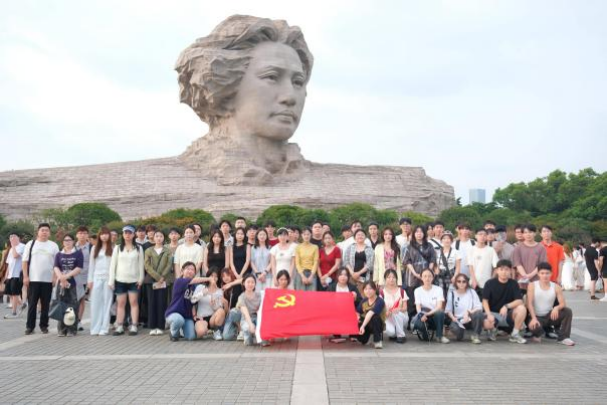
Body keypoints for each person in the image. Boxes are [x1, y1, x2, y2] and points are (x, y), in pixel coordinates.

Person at [23, 223, 60, 336]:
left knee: (45, 304)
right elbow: (24, 262)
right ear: (38, 232)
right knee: (32, 304)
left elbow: (57, 263)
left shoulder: (53, 245)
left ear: (49, 233)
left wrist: (55, 277)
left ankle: (44, 326)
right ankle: (30, 327)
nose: (44, 232)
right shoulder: (31, 244)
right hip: (33, 279)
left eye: (46, 230)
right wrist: (25, 276)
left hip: (48, 280)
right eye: (42, 230)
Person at [527, 263, 576, 346]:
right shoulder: (532, 285)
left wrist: (556, 308)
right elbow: (529, 303)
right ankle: (538, 333)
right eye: (542, 273)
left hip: (549, 316)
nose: (545, 276)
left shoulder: (556, 287)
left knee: (567, 311)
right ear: (538, 274)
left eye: (547, 273)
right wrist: (534, 318)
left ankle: (564, 337)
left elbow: (563, 303)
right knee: (535, 329)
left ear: (551, 274)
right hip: (536, 317)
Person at [109, 225, 145, 336]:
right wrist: (111, 280)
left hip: (134, 280)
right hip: (120, 280)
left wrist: (141, 279)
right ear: (123, 234)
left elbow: (141, 265)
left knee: (133, 302)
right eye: (125, 233)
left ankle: (134, 325)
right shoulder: (117, 248)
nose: (127, 235)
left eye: (130, 233)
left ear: (134, 234)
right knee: (120, 303)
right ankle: (120, 326)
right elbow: (113, 265)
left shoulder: (138, 248)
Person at [482, 260, 528, 344]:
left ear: (510, 271)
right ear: (497, 271)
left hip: (508, 315)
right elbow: (485, 301)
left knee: (522, 308)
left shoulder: (513, 283)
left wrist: (506, 306)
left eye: (506, 269)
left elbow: (519, 300)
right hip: (493, 314)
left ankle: (515, 334)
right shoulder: (489, 283)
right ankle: (492, 330)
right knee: (486, 323)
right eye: (501, 269)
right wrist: (488, 314)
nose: (504, 272)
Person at [165, 262, 208, 342]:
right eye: (188, 269)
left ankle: (180, 329)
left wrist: (194, 315)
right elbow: (195, 280)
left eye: (192, 270)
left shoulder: (193, 286)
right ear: (182, 271)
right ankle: (174, 333)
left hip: (186, 316)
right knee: (179, 320)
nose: (190, 271)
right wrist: (208, 278)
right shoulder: (179, 281)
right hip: (174, 314)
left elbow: (192, 302)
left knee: (191, 337)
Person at [403, 226, 437, 325]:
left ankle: (425, 321)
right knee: (411, 299)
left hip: (426, 276)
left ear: (424, 233)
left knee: (425, 298)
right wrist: (414, 273)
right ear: (414, 234)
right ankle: (411, 322)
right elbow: (406, 261)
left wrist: (429, 272)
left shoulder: (429, 245)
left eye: (421, 231)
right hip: (412, 276)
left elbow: (432, 259)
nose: (419, 233)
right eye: (417, 232)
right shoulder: (409, 246)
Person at [53, 234, 84, 337]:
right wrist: (61, 278)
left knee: (72, 305)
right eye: (65, 240)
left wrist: (66, 277)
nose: (67, 242)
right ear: (63, 242)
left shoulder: (78, 253)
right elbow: (56, 267)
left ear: (73, 241)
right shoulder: (59, 254)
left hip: (73, 282)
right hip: (61, 283)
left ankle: (72, 329)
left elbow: (79, 268)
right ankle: (62, 329)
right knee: (61, 305)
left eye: (69, 240)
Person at [144, 231, 172, 336]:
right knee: (151, 303)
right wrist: (157, 277)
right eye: (157, 236)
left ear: (164, 238)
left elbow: (169, 265)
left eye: (161, 236)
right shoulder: (148, 250)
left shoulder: (167, 251)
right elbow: (147, 265)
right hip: (151, 280)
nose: (159, 238)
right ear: (153, 238)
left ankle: (160, 326)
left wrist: (162, 277)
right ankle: (152, 326)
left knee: (161, 303)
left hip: (163, 281)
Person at [88, 228, 114, 336]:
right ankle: (95, 328)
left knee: (107, 303)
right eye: (102, 234)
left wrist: (112, 281)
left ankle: (104, 328)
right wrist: (90, 280)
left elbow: (114, 266)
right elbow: (91, 265)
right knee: (95, 303)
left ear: (109, 236)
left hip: (108, 279)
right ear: (99, 236)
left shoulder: (113, 248)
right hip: (96, 278)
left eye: (106, 234)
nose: (104, 236)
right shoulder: (94, 248)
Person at [413, 269, 449, 344]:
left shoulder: (438, 289)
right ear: (421, 278)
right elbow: (418, 306)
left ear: (433, 277)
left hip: (434, 314)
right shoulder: (417, 290)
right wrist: (421, 314)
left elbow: (439, 306)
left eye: (429, 276)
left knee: (440, 312)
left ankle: (439, 336)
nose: (427, 278)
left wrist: (428, 314)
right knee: (420, 325)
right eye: (425, 276)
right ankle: (424, 333)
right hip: (423, 314)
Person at [446, 274, 484, 344]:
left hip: (470, 318)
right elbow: (448, 310)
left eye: (464, 281)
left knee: (479, 314)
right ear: (456, 282)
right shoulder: (452, 294)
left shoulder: (471, 292)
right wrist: (453, 318)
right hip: (458, 320)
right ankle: (462, 333)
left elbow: (479, 306)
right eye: (459, 281)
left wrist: (468, 311)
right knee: (456, 330)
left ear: (467, 282)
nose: (461, 283)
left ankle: (475, 336)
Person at [191, 268, 227, 341]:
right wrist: (202, 293)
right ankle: (205, 330)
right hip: (201, 318)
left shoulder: (220, 291)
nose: (213, 278)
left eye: (216, 276)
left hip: (212, 319)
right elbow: (192, 300)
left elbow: (218, 308)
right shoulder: (200, 287)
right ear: (208, 277)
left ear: (218, 279)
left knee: (221, 311)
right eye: (211, 276)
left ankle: (215, 330)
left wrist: (213, 304)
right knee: (200, 332)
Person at [328, 267, 361, 344]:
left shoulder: (352, 287)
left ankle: (352, 334)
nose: (343, 277)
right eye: (341, 275)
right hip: (336, 311)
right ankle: (337, 334)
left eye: (345, 275)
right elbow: (327, 301)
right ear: (337, 276)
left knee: (356, 314)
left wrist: (355, 298)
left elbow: (360, 302)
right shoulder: (332, 287)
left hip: (349, 312)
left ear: (348, 277)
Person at [512, 224, 548, 293]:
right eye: (525, 232)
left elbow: (541, 265)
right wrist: (525, 276)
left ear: (535, 233)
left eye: (530, 232)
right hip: (521, 282)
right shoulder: (518, 248)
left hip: (537, 280)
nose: (528, 235)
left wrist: (530, 275)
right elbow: (517, 264)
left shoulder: (541, 248)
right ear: (522, 234)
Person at [380, 269, 408, 344]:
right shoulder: (382, 293)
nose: (391, 279)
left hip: (401, 316)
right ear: (385, 279)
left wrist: (398, 309)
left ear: (396, 279)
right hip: (389, 317)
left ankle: (401, 336)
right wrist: (386, 312)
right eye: (388, 277)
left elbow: (405, 308)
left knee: (396, 313)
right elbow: (381, 309)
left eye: (393, 277)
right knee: (391, 333)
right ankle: (396, 332)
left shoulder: (402, 291)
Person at [356, 281, 386, 350]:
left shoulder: (380, 301)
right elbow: (357, 312)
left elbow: (370, 313)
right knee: (362, 340)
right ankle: (368, 336)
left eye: (370, 289)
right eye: (366, 289)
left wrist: (363, 326)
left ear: (375, 290)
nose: (368, 291)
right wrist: (357, 318)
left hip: (377, 324)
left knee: (375, 317)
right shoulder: (364, 301)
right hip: (366, 324)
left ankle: (377, 341)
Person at [344, 229, 375, 294]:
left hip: (364, 277)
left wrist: (358, 273)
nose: (360, 236)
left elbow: (370, 264)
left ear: (365, 237)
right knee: (351, 295)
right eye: (358, 235)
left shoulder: (369, 249)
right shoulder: (350, 247)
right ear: (354, 237)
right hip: (351, 276)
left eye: (362, 235)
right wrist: (352, 273)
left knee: (363, 295)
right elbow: (346, 261)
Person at [3, 233, 25, 319]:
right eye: (11, 237)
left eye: (14, 237)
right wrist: (6, 274)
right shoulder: (12, 248)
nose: (12, 238)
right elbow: (9, 263)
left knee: (15, 293)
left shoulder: (22, 246)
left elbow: (16, 256)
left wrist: (13, 246)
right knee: (9, 293)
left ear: (18, 238)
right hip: (10, 274)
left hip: (17, 274)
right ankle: (22, 304)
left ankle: (14, 312)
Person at [237, 274, 264, 346]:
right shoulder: (241, 297)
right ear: (243, 283)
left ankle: (256, 335)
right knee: (249, 341)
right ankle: (247, 335)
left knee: (263, 341)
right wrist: (251, 324)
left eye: (252, 282)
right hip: (246, 319)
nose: (250, 284)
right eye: (248, 282)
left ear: (255, 284)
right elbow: (245, 313)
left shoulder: (259, 295)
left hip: (258, 318)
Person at [75, 226, 92, 330]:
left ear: (87, 235)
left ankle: (78, 321)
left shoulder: (92, 247)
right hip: (73, 278)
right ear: (77, 235)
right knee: (73, 300)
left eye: (84, 233)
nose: (82, 235)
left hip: (86, 278)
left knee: (81, 299)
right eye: (80, 233)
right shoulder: (73, 246)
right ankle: (71, 320)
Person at [435, 231, 461, 298]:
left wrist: (455, 277)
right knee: (441, 295)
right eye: (444, 238)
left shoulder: (456, 252)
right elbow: (436, 264)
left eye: (448, 238)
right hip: (440, 275)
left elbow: (458, 267)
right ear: (441, 240)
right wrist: (436, 270)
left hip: (451, 274)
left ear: (451, 241)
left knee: (451, 295)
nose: (446, 240)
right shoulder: (437, 252)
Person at [294, 227, 319, 291]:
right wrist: (302, 276)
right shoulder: (298, 247)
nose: (306, 236)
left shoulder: (315, 247)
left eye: (308, 234)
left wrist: (311, 276)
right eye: (304, 234)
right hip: (300, 273)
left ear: (311, 235)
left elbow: (316, 262)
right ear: (302, 235)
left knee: (311, 295)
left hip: (312, 273)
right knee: (300, 295)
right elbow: (297, 263)